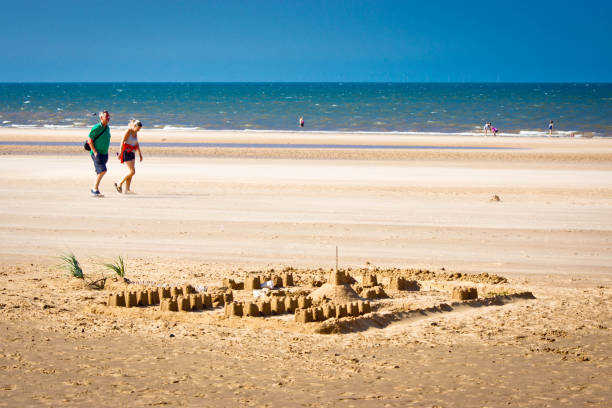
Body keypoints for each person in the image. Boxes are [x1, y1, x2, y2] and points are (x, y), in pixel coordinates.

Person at [115, 119, 143, 194]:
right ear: (135, 126)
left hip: (132, 152)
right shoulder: (129, 131)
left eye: (140, 129)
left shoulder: (135, 132)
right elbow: (122, 141)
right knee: (132, 172)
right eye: (138, 128)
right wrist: (120, 152)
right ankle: (119, 183)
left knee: (131, 171)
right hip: (126, 152)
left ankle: (127, 189)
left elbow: (137, 143)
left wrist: (140, 154)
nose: (139, 130)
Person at [88, 111, 111, 197]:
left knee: (100, 171)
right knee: (103, 170)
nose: (108, 118)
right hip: (97, 153)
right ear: (101, 118)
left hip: (104, 153)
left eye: (109, 116)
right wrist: (95, 152)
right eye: (106, 117)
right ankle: (94, 190)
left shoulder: (107, 127)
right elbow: (89, 140)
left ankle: (94, 189)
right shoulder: (96, 127)